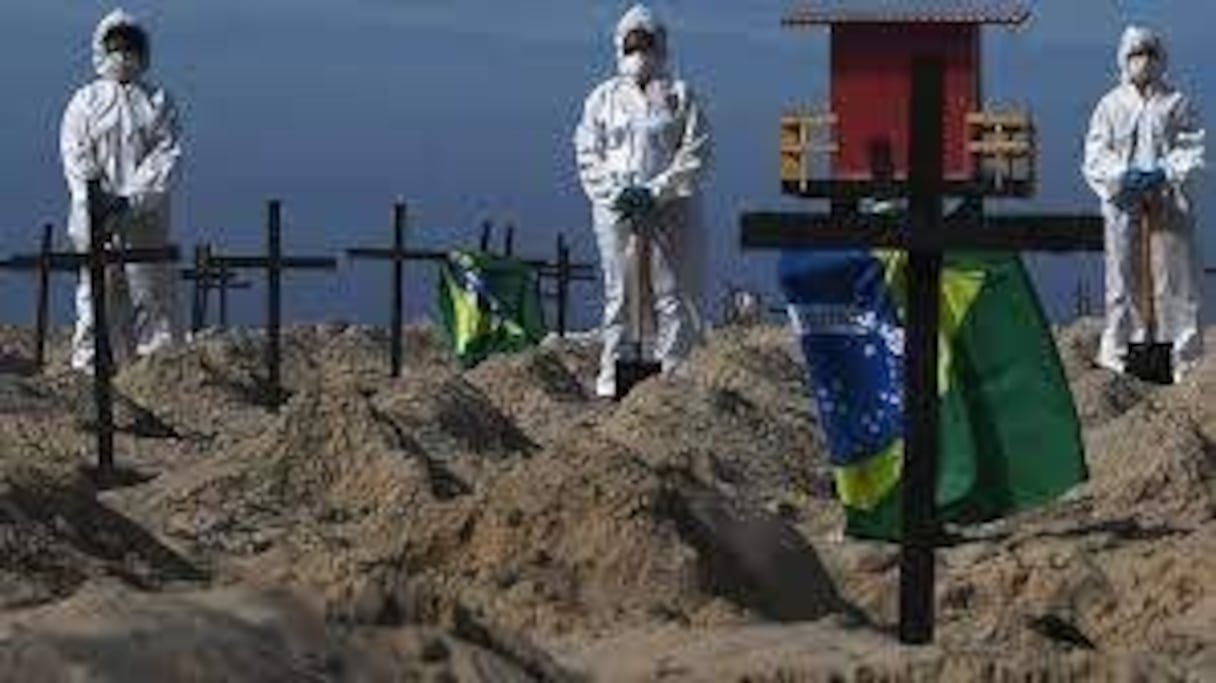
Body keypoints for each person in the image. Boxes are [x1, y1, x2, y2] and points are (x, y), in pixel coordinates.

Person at [573, 3, 711, 398]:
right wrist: (617, 194)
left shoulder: (681, 96)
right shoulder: (602, 99)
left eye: (646, 43)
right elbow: (587, 154)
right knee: (619, 294)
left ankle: (672, 380)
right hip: (616, 210)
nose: (640, 52)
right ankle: (613, 380)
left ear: (661, 45)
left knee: (672, 295)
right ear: (619, 45)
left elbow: (696, 153)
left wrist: (656, 191)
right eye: (633, 43)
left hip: (671, 211)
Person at [60, 8, 182, 373]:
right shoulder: (85, 102)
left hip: (144, 220)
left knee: (150, 293)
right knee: (96, 293)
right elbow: (75, 155)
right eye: (115, 46)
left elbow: (166, 157)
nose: (123, 55)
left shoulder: (158, 101)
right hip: (94, 217)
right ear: (101, 48)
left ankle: (156, 372)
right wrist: (97, 200)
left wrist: (131, 200)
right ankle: (91, 368)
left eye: (130, 46)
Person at [1083, 25, 1205, 382]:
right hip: (1123, 202)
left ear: (1161, 58)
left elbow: (1193, 149)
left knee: (1175, 279)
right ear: (1124, 58)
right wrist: (1123, 175)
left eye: (1150, 53)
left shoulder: (1176, 102)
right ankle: (1120, 356)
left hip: (1169, 201)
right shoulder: (1110, 105)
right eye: (1137, 54)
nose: (1144, 61)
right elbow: (1095, 153)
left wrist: (1168, 171)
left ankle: (1184, 360)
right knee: (1122, 277)